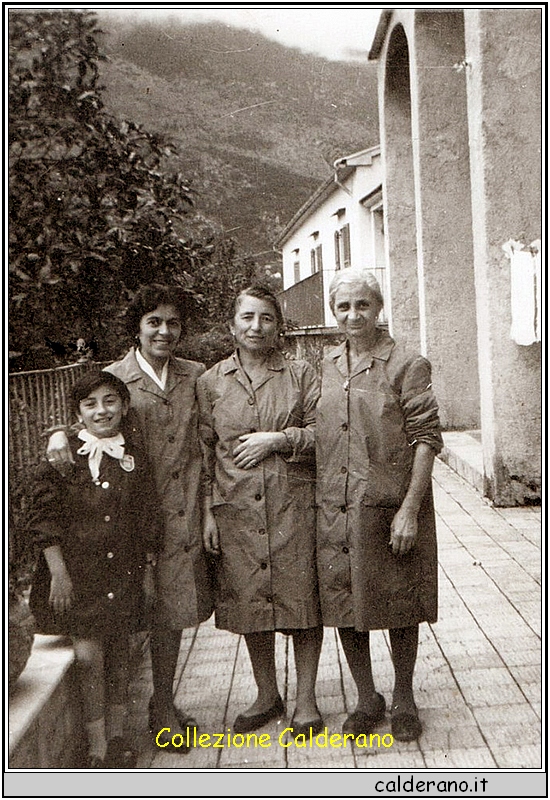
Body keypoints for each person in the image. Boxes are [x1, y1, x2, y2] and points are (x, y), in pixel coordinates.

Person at [45, 284, 213, 752]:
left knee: (174, 610)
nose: (164, 331)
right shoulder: (115, 376)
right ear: (137, 328)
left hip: (183, 512)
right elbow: (85, 417)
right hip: (132, 514)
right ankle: (155, 710)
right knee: (149, 608)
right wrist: (57, 434)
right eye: (154, 322)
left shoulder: (195, 375)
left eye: (173, 323)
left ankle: (164, 702)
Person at [315, 269, 443, 742]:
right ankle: (366, 697)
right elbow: (320, 429)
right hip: (337, 505)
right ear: (334, 312)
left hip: (390, 505)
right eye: (344, 307)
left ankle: (404, 697)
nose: (353, 315)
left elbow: (427, 439)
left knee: (401, 602)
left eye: (363, 305)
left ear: (378, 307)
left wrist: (410, 509)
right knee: (346, 603)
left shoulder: (407, 363)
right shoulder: (324, 364)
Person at [197, 284, 324, 737]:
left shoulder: (301, 375)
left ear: (279, 327)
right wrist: (209, 512)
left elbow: (323, 435)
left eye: (266, 318)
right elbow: (204, 452)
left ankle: (306, 702)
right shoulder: (210, 382)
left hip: (293, 508)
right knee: (251, 603)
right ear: (231, 326)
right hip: (236, 514)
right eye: (247, 317)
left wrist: (280, 439)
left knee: (302, 601)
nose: (256, 326)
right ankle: (266, 694)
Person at [29, 371, 163, 769]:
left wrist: (147, 572)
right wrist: (59, 574)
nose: (102, 411)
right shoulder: (63, 455)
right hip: (78, 579)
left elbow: (146, 518)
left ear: (123, 406)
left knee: (120, 653)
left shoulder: (133, 455)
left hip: (122, 573)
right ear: (78, 413)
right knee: (89, 659)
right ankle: (96, 747)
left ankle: (119, 738)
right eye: (90, 404)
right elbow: (43, 518)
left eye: (110, 401)